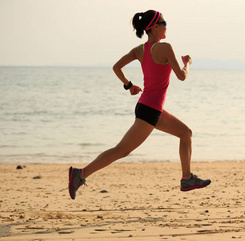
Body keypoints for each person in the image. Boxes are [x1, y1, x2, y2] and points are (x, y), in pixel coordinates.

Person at [68, 10, 211, 200]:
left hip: (151, 108)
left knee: (186, 133)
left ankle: (187, 179)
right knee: (122, 150)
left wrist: (128, 85)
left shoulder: (139, 50)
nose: (167, 25)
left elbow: (116, 67)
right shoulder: (166, 47)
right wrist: (188, 63)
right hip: (149, 110)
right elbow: (182, 76)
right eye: (164, 22)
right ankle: (80, 174)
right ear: (154, 26)